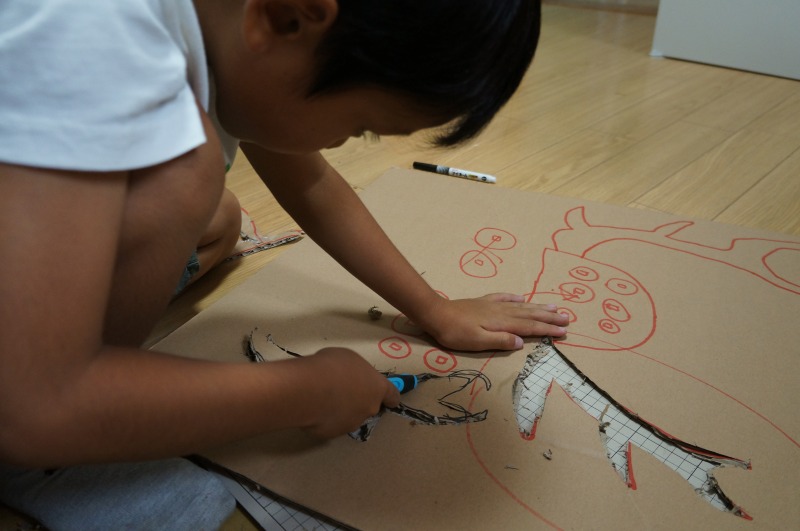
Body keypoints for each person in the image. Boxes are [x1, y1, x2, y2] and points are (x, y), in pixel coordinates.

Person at [0, 0, 568, 528]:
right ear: (286, 18)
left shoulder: (228, 29)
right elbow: (32, 407)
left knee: (218, 220)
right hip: (27, 402)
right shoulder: (86, 38)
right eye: (361, 126)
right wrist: (301, 391)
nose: (345, 141)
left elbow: (310, 181)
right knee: (184, 178)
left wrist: (432, 309)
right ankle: (55, 448)